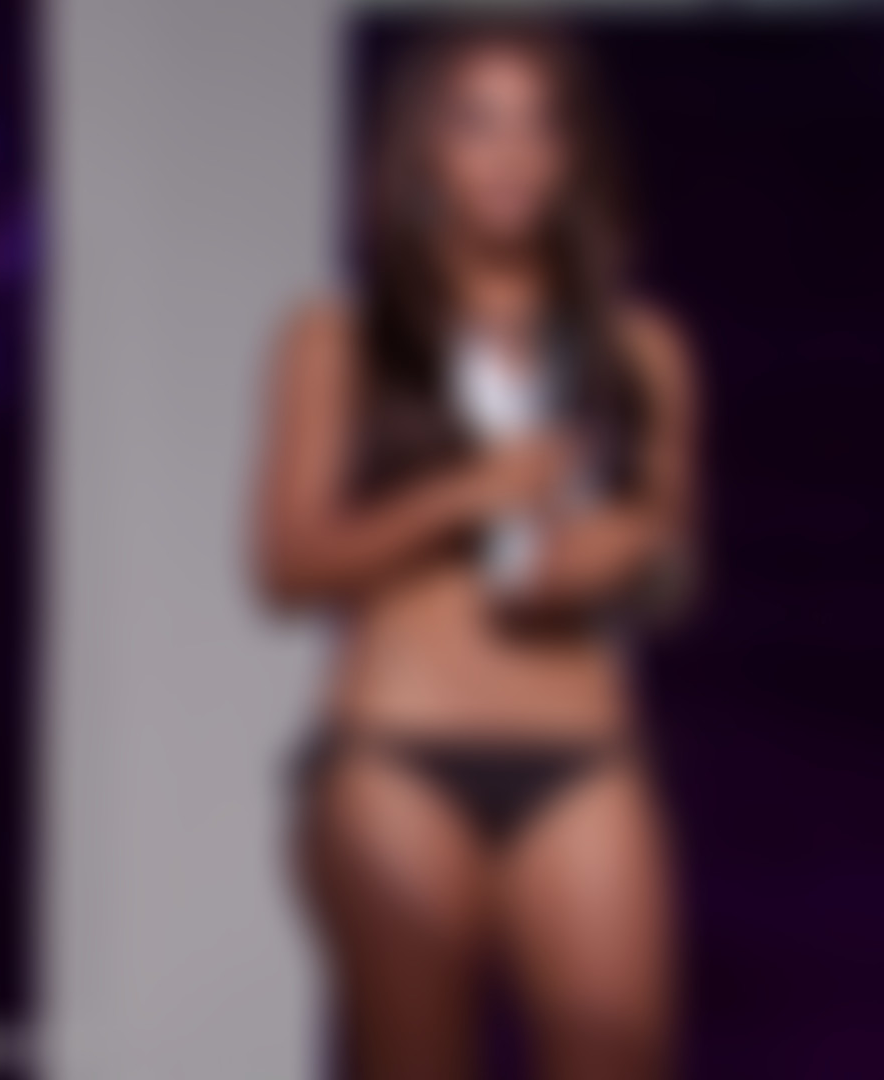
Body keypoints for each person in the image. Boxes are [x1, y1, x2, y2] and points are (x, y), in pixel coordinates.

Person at [250, 21, 698, 1080]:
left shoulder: (642, 349)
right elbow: (286, 564)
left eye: (541, 126)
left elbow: (674, 569)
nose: (511, 154)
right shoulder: (337, 337)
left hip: (581, 749)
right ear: (425, 152)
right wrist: (460, 497)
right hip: (396, 750)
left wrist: (626, 556)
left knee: (620, 1052)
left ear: (575, 155)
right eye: (478, 124)